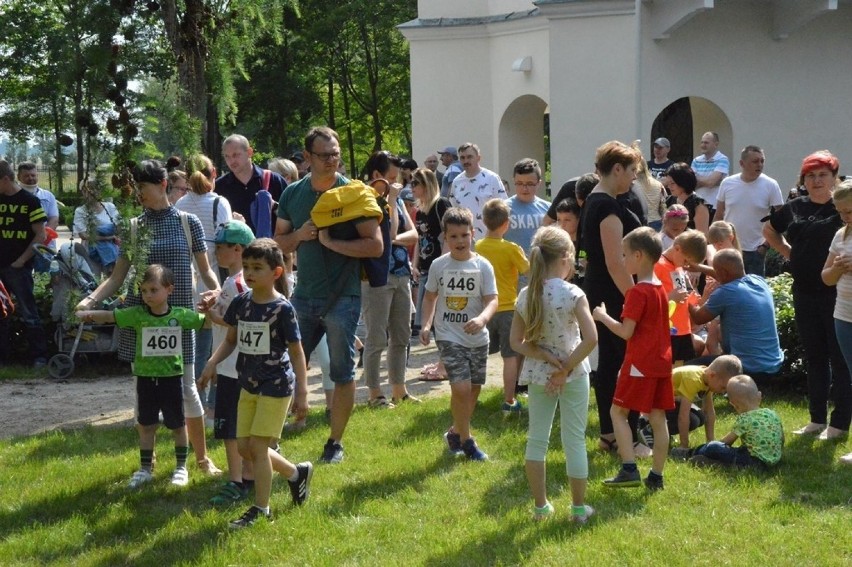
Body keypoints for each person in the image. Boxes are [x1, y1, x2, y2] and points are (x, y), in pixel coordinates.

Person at [76, 159, 221, 475]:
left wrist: (219, 293)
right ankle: (148, 463)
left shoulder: (188, 222)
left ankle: (201, 458)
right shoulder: (132, 227)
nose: (138, 193)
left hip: (178, 320)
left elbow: (206, 270)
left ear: (163, 185)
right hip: (142, 324)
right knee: (144, 393)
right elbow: (117, 278)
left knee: (186, 389)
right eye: (136, 187)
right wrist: (90, 299)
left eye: (143, 187)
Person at [274, 126, 383, 464]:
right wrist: (301, 236)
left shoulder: (353, 193)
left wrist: (333, 243)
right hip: (303, 297)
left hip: (343, 298)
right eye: (324, 155)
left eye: (335, 153)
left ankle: (335, 442)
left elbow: (375, 246)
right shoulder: (293, 193)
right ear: (307, 158)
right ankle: (270, 439)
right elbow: (277, 242)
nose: (332, 160)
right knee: (279, 366)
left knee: (341, 372)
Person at [199, 239, 312, 528]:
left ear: (276, 272)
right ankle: (296, 474)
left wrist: (303, 390)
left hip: (275, 386)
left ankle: (261, 509)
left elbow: (297, 352)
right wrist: (212, 363)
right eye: (246, 267)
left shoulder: (282, 309)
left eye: (257, 268)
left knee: (258, 449)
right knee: (244, 448)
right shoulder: (241, 303)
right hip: (246, 384)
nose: (249, 273)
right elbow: (231, 340)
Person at [78, 265, 205, 488]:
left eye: (153, 290)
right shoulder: (136, 315)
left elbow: (205, 321)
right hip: (145, 378)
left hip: (172, 378)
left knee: (177, 424)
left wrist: (222, 310)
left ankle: (181, 467)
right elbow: (110, 316)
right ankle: (145, 468)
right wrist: (86, 314)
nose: (148, 296)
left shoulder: (180, 316)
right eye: (144, 291)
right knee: (146, 424)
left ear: (169, 290)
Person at [509, 226, 597, 522]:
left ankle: (540, 507)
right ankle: (578, 508)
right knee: (574, 439)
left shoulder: (526, 293)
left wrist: (545, 357)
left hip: (538, 375)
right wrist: (566, 367)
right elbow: (591, 338)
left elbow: (514, 342)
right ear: (565, 258)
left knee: (537, 439)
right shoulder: (573, 292)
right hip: (574, 374)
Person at [763, 150, 849, 440]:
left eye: (822, 175)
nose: (816, 181)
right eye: (810, 176)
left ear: (834, 178)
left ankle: (839, 424)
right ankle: (816, 418)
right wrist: (789, 252)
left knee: (840, 359)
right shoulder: (795, 206)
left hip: (837, 293)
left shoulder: (842, 208)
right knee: (815, 357)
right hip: (804, 291)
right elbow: (769, 230)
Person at [593, 227, 673, 491]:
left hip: (640, 363)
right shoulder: (660, 288)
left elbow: (626, 332)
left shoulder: (638, 292)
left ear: (639, 256)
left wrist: (603, 317)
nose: (623, 261)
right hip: (662, 362)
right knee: (658, 419)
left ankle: (629, 469)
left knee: (618, 412)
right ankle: (656, 476)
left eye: (625, 255)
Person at [581, 141, 647, 456]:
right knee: (622, 362)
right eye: (632, 171)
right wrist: (635, 297)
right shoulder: (606, 204)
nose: (634, 177)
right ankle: (625, 437)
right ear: (616, 169)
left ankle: (612, 434)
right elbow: (614, 261)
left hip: (604, 290)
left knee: (611, 362)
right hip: (613, 291)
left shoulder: (599, 200)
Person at [419, 207, 498, 461]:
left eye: (464, 235)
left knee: (473, 389)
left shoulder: (483, 265)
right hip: (449, 335)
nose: (460, 241)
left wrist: (482, 318)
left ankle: (455, 431)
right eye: (453, 236)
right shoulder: (439, 266)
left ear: (473, 234)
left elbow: (492, 300)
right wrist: (426, 324)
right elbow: (430, 296)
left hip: (478, 338)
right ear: (445, 237)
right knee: (461, 388)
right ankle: (467, 441)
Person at [198, 221, 255, 504]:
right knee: (236, 427)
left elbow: (243, 318)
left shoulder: (239, 282)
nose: (216, 253)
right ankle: (247, 475)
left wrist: (214, 315)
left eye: (221, 248)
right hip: (229, 364)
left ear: (238, 249)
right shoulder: (232, 281)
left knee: (231, 430)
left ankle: (237, 480)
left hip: (234, 366)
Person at [360, 151, 420, 407]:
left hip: (401, 274)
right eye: (393, 178)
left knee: (402, 335)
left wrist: (391, 239)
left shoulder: (396, 201)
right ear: (377, 176)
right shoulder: (367, 200)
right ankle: (375, 394)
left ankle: (399, 389)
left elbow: (414, 235)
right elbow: (394, 229)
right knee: (376, 337)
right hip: (376, 277)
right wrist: (393, 201)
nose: (399, 184)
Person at [688, 249, 783, 377]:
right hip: (773, 366)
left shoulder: (726, 292)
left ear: (723, 273)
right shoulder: (759, 281)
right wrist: (699, 267)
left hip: (748, 370)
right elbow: (726, 274)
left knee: (686, 368)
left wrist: (687, 297)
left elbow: (698, 318)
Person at [475, 199, 529, 415]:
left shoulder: (477, 247)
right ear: (507, 223)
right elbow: (528, 270)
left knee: (478, 355)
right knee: (510, 358)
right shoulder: (511, 249)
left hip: (483, 310)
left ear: (484, 221)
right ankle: (509, 400)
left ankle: (472, 396)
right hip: (508, 309)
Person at [0, 159, 48, 366]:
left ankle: (39, 357)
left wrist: (21, 260)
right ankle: (3, 358)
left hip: (18, 268)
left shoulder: (30, 201)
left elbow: (41, 234)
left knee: (29, 313)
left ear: (4, 179)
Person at [714, 146, 783, 276]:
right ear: (742, 163)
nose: (760, 165)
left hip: (756, 250)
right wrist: (716, 242)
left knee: (754, 292)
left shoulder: (770, 185)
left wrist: (766, 245)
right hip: (730, 248)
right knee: (730, 289)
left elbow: (781, 218)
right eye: (755, 161)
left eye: (762, 161)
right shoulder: (727, 183)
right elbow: (718, 216)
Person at [689, 375, 784, 469]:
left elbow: (726, 442)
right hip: (774, 460)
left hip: (752, 461)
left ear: (734, 405)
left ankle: (692, 453)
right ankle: (722, 464)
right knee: (741, 450)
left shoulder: (745, 418)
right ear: (759, 395)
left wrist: (715, 445)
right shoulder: (772, 413)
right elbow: (781, 438)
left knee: (713, 447)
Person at [821, 182, 852, 464]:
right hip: (843, 315)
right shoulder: (840, 235)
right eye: (841, 212)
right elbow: (826, 277)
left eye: (850, 211)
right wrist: (838, 268)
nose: (846, 218)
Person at [665, 355, 743, 458]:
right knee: (693, 419)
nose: (723, 392)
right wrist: (684, 446)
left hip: (672, 404)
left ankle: (665, 433)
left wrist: (710, 442)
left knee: (700, 417)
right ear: (712, 375)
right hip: (656, 405)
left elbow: (709, 411)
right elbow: (683, 415)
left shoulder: (708, 379)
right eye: (723, 387)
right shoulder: (693, 379)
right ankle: (649, 428)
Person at [216, 134, 287, 236]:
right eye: (227, 156)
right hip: (237, 249)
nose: (231, 161)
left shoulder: (274, 180)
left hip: (271, 249)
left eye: (236, 155)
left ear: (249, 152)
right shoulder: (220, 187)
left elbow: (291, 216)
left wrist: (274, 206)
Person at [655, 229, 707, 366]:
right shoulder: (658, 266)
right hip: (667, 330)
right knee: (666, 370)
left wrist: (699, 297)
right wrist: (669, 297)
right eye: (685, 261)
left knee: (679, 372)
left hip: (683, 330)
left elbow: (685, 296)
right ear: (677, 248)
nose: (686, 266)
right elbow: (649, 299)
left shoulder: (679, 269)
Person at [411, 168, 451, 340]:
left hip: (441, 265)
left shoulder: (441, 204)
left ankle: (442, 356)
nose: (411, 187)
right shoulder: (419, 211)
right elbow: (419, 238)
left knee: (442, 312)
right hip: (425, 267)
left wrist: (442, 262)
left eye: (415, 183)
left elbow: (450, 234)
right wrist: (415, 263)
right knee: (426, 310)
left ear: (426, 185)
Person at [449, 142, 508, 240]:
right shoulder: (457, 182)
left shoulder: (492, 178)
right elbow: (454, 211)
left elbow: (504, 207)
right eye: (462, 158)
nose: (466, 161)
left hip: (490, 239)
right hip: (466, 240)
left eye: (469, 157)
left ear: (478, 158)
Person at [73, 179, 121, 277]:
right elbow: (84, 235)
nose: (92, 192)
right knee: (94, 279)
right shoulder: (81, 211)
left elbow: (119, 227)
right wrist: (107, 237)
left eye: (94, 189)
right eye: (87, 189)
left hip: (112, 249)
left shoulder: (110, 207)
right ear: (83, 192)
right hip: (91, 252)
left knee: (112, 278)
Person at [504, 158, 551, 255]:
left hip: (539, 266)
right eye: (519, 183)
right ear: (514, 181)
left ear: (539, 183)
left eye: (530, 184)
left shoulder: (548, 209)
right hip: (511, 267)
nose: (524, 188)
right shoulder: (503, 208)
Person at [664, 162, 710, 236]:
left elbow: (702, 235)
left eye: (672, 183)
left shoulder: (698, 205)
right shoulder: (669, 200)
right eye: (668, 184)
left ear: (683, 182)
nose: (669, 187)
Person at [690, 131, 730, 216]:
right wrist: (709, 180)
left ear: (716, 144)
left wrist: (699, 179)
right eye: (702, 142)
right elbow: (691, 183)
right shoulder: (696, 160)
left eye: (706, 143)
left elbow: (711, 182)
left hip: (715, 207)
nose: (703, 145)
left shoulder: (722, 159)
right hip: (698, 206)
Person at [631, 141, 667, 231]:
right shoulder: (658, 184)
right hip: (657, 221)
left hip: (642, 222)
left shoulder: (632, 184)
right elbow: (663, 203)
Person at [17, 162, 58, 231]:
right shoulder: (12, 195)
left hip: (45, 240)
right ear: (18, 177)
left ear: (37, 175)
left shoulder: (48, 196)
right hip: (20, 239)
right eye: (26, 176)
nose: (30, 178)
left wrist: (43, 235)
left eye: (33, 175)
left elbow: (54, 218)